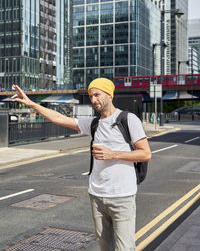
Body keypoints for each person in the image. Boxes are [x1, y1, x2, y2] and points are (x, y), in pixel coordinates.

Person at [12, 78, 151, 251]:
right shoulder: (94, 123)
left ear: (109, 95)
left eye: (97, 95)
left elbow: (145, 153)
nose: (93, 100)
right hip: (97, 196)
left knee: (125, 248)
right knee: (104, 246)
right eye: (91, 96)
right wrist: (31, 103)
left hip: (122, 196)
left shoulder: (128, 120)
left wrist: (113, 153)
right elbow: (58, 118)